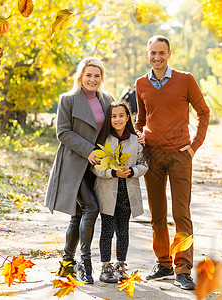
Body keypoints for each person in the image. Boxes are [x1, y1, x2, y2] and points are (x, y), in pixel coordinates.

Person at [135, 35, 210, 290]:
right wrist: (138, 136)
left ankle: (183, 268)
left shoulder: (185, 80)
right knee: (157, 214)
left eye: (162, 53)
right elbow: (141, 119)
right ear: (148, 54)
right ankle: (164, 263)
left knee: (181, 214)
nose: (157, 57)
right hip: (152, 156)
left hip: (180, 155)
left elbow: (203, 112)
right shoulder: (141, 84)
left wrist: (194, 147)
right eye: (153, 53)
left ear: (169, 54)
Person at [44, 57, 114, 284]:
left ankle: (67, 263)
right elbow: (63, 132)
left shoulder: (108, 100)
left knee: (77, 215)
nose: (92, 79)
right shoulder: (68, 100)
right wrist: (88, 150)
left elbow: (114, 129)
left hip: (97, 167)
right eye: (88, 75)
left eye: (97, 75)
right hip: (73, 164)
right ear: (80, 76)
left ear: (102, 78)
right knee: (91, 208)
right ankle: (85, 263)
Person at [92, 101, 148, 283]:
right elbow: (95, 168)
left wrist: (132, 171)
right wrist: (112, 172)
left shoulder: (135, 140)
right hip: (107, 192)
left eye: (121, 116)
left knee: (123, 230)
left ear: (127, 117)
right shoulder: (103, 139)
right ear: (109, 118)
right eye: (113, 116)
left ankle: (121, 264)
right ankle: (105, 266)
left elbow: (144, 164)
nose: (117, 119)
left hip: (127, 193)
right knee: (107, 230)